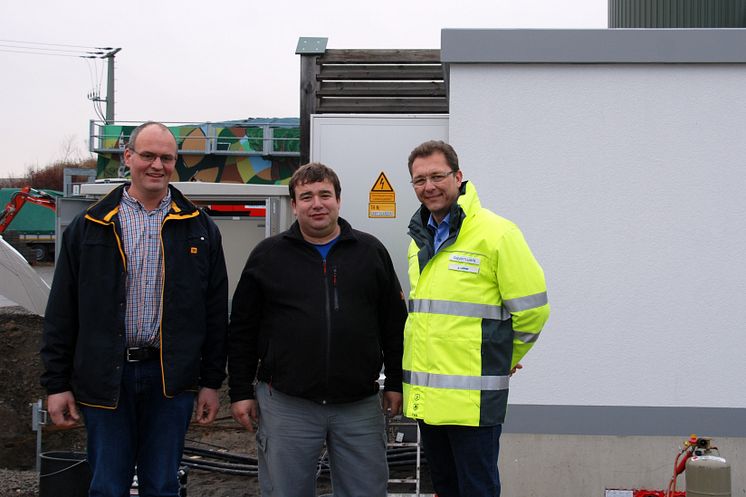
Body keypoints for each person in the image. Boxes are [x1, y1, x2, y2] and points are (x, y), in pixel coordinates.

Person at [40, 121, 229, 497]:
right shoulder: (90, 226)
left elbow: (214, 311)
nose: (157, 165)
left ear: (176, 163)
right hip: (106, 378)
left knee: (162, 485)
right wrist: (56, 384)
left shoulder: (200, 228)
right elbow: (63, 310)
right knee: (108, 486)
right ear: (128, 157)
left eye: (166, 157)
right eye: (147, 155)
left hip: (170, 381)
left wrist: (211, 382)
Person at [228, 162, 406, 497]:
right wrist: (240, 391)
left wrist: (395, 381)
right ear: (294, 205)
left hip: (358, 406)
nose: (317, 203)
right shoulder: (268, 256)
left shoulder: (370, 253)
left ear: (338, 200)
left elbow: (394, 324)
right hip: (286, 404)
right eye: (306, 196)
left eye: (325, 194)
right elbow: (242, 328)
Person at [402, 140, 550, 497]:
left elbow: (533, 311)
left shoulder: (497, 233)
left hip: (474, 404)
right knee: (445, 489)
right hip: (429, 401)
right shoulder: (418, 240)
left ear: (458, 176)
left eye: (437, 175)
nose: (429, 186)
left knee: (477, 490)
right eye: (419, 180)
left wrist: (504, 357)